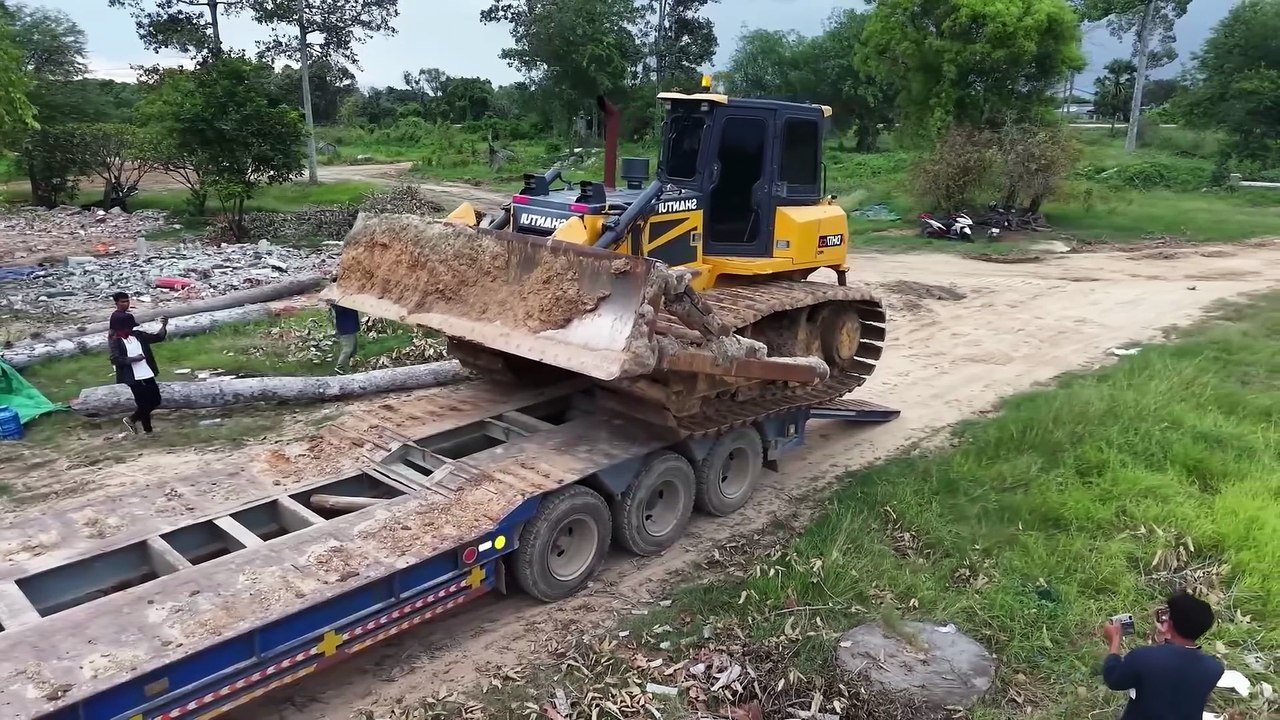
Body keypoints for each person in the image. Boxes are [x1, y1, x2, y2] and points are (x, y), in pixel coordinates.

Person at [1102, 591, 1224, 720]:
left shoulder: (1142, 657)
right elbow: (1173, 671)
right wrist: (1166, 638)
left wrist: (1114, 641)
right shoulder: (1214, 668)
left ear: (1169, 623)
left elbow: (1113, 680)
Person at [106, 298, 168, 435]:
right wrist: (134, 359)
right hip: (132, 376)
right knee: (143, 403)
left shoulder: (138, 335)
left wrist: (164, 326)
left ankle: (132, 420)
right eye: (129, 326)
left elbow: (158, 337)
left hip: (146, 372)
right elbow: (115, 359)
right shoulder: (115, 341)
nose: (132, 328)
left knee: (155, 400)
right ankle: (147, 429)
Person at [331, 301, 359, 374]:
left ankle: (350, 366)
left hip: (351, 327)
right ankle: (340, 367)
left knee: (353, 348)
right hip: (345, 329)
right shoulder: (339, 303)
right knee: (348, 348)